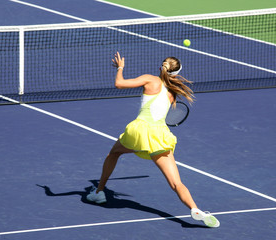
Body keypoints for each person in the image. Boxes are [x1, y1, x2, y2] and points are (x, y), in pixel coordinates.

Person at [86, 52, 220, 228]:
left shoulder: (150, 79)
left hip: (140, 132)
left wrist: (120, 68)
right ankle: (195, 209)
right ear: (176, 74)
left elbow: (119, 84)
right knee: (176, 182)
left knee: (114, 153)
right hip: (160, 135)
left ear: (161, 67)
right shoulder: (174, 92)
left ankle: (99, 192)